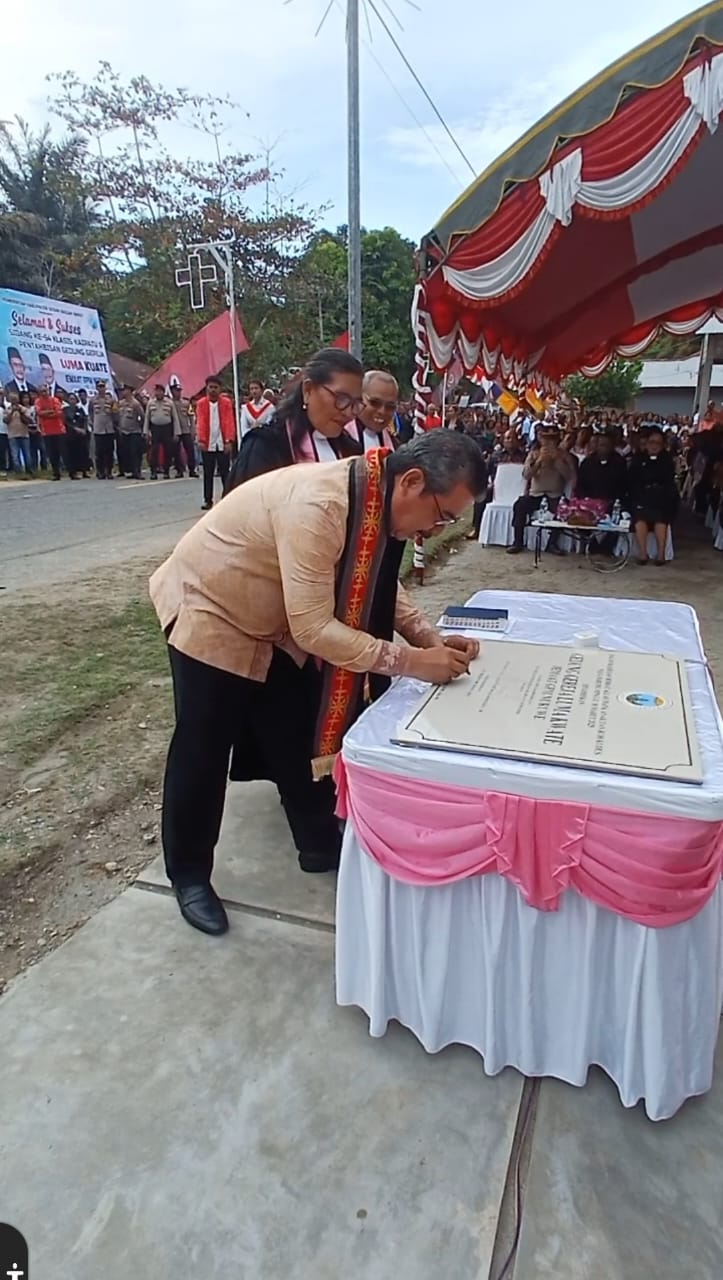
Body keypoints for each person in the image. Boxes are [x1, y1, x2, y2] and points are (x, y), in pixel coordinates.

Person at [149, 431, 486, 936]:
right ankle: (189, 874)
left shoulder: (373, 495)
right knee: (204, 748)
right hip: (213, 608)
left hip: (275, 623)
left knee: (299, 735)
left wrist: (429, 638)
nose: (435, 530)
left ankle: (319, 844)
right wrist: (414, 662)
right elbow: (313, 630)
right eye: (442, 516)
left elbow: (377, 580)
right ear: (412, 482)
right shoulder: (322, 505)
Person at [226, 348, 364, 490]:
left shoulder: (350, 450)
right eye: (341, 399)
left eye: (356, 403)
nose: (349, 412)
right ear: (308, 390)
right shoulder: (266, 448)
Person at [507, 425, 576, 554]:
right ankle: (517, 542)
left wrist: (557, 461)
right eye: (546, 439)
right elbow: (526, 475)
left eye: (552, 439)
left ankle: (552, 544)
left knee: (562, 510)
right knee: (520, 505)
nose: (549, 442)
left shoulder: (564, 456)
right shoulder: (533, 454)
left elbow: (569, 477)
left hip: (555, 495)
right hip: (535, 495)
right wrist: (538, 461)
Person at [628, 427, 679, 566]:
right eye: (651, 442)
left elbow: (667, 480)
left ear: (662, 445)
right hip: (642, 495)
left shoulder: (666, 460)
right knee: (639, 517)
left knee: (661, 518)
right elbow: (633, 479)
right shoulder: (639, 458)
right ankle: (643, 553)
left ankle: (661, 554)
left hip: (661, 497)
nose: (654, 446)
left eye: (658, 443)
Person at [195, 376, 236, 509]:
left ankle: (228, 498)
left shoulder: (226, 403)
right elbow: (200, 422)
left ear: (220, 389)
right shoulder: (201, 403)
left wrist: (229, 440)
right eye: (210, 387)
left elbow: (229, 422)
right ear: (206, 388)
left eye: (215, 387)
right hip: (208, 443)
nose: (213, 390)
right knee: (208, 473)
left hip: (222, 442)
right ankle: (208, 500)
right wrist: (201, 439)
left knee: (225, 472)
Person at [353, 370, 400, 451]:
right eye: (375, 403)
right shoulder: (338, 438)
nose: (382, 411)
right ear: (359, 398)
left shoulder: (395, 445)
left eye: (390, 406)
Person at [143, 384, 179, 480]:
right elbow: (147, 418)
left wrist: (176, 433)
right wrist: (146, 432)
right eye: (156, 391)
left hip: (167, 428)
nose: (158, 393)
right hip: (155, 429)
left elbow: (175, 418)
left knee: (168, 451)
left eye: (160, 391)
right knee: (154, 451)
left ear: (163, 392)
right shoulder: (151, 403)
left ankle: (166, 471)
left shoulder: (169, 403)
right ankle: (153, 471)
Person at [35, 386, 66, 480]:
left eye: (45, 391)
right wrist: (51, 411)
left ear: (48, 391)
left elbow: (58, 412)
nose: (44, 393)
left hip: (59, 430)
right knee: (52, 454)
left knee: (63, 452)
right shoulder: (38, 401)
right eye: (41, 391)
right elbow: (39, 413)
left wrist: (46, 413)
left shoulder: (55, 400)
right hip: (46, 431)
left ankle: (71, 472)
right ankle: (56, 473)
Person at [90, 380, 118, 478]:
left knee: (109, 451)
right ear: (96, 388)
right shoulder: (93, 400)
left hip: (109, 428)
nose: (101, 388)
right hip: (98, 429)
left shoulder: (111, 399)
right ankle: (100, 471)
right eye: (99, 387)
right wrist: (92, 423)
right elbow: (90, 413)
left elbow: (115, 413)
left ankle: (109, 471)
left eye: (103, 386)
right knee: (99, 452)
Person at [117, 385, 146, 479]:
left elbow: (142, 416)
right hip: (124, 431)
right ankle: (131, 471)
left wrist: (140, 427)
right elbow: (118, 416)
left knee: (135, 452)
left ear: (129, 391)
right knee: (127, 452)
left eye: (125, 390)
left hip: (134, 431)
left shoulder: (135, 403)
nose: (123, 392)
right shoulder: (121, 403)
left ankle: (137, 471)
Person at [170, 384, 197, 477]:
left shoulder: (186, 403)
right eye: (176, 391)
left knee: (190, 450)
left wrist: (193, 429)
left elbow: (191, 417)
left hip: (186, 430)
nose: (178, 393)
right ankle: (179, 470)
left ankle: (192, 469)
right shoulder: (170, 404)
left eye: (179, 391)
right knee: (176, 451)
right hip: (175, 431)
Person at [3, 392, 33, 475]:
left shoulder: (24, 409)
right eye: (12, 399)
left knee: (27, 454)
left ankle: (29, 471)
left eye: (15, 399)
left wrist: (21, 412)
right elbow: (6, 421)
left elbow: (28, 421)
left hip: (24, 434)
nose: (14, 400)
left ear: (18, 399)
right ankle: (18, 472)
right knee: (15, 455)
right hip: (12, 435)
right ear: (9, 399)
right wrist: (12, 412)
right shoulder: (7, 409)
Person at [63, 393, 91, 478]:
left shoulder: (80, 409)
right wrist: (75, 428)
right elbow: (65, 422)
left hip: (81, 435)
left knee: (83, 453)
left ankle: (84, 471)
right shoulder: (65, 410)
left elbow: (85, 419)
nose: (72, 401)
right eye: (71, 399)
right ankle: (73, 472)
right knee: (72, 454)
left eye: (74, 399)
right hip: (70, 435)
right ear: (68, 400)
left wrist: (84, 429)